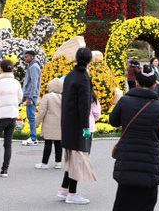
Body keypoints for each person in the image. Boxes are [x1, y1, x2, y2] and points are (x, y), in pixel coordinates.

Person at [109, 64, 159, 211]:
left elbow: (113, 121)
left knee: (123, 202)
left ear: (136, 83)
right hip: (149, 162)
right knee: (146, 204)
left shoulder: (125, 101)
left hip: (127, 160)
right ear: (154, 85)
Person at [58, 48, 97, 205]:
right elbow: (84, 105)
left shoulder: (70, 75)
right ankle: (72, 194)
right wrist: (85, 128)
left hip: (67, 123)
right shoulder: (83, 77)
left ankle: (64, 189)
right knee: (77, 160)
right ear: (90, 60)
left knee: (71, 157)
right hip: (77, 125)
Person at [35, 77, 63, 170]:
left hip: (49, 123)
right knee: (58, 143)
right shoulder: (63, 97)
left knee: (48, 143)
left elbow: (42, 111)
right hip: (60, 123)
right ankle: (58, 162)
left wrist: (36, 123)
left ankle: (44, 163)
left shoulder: (47, 97)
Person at [22, 50, 42, 146]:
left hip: (32, 96)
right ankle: (33, 137)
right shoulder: (31, 66)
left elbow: (34, 84)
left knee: (31, 117)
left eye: (26, 57)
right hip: (30, 95)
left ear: (32, 57)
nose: (24, 58)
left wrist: (29, 97)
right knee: (30, 116)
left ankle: (33, 138)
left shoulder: (34, 67)